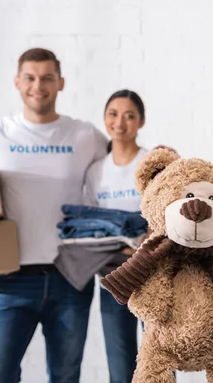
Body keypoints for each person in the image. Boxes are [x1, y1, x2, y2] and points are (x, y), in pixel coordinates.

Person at [0, 48, 108, 383]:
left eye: (47, 77)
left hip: (70, 277)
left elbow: (127, 165)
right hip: (11, 279)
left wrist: (161, 159)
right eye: (31, 77)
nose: (39, 85)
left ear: (61, 83)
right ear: (17, 82)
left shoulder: (85, 136)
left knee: (65, 377)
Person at [83, 89, 148, 383]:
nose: (120, 122)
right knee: (120, 365)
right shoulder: (96, 171)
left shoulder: (151, 163)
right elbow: (91, 225)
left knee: (156, 364)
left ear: (141, 122)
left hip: (153, 277)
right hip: (113, 279)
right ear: (104, 119)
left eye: (129, 115)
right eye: (113, 114)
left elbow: (167, 218)